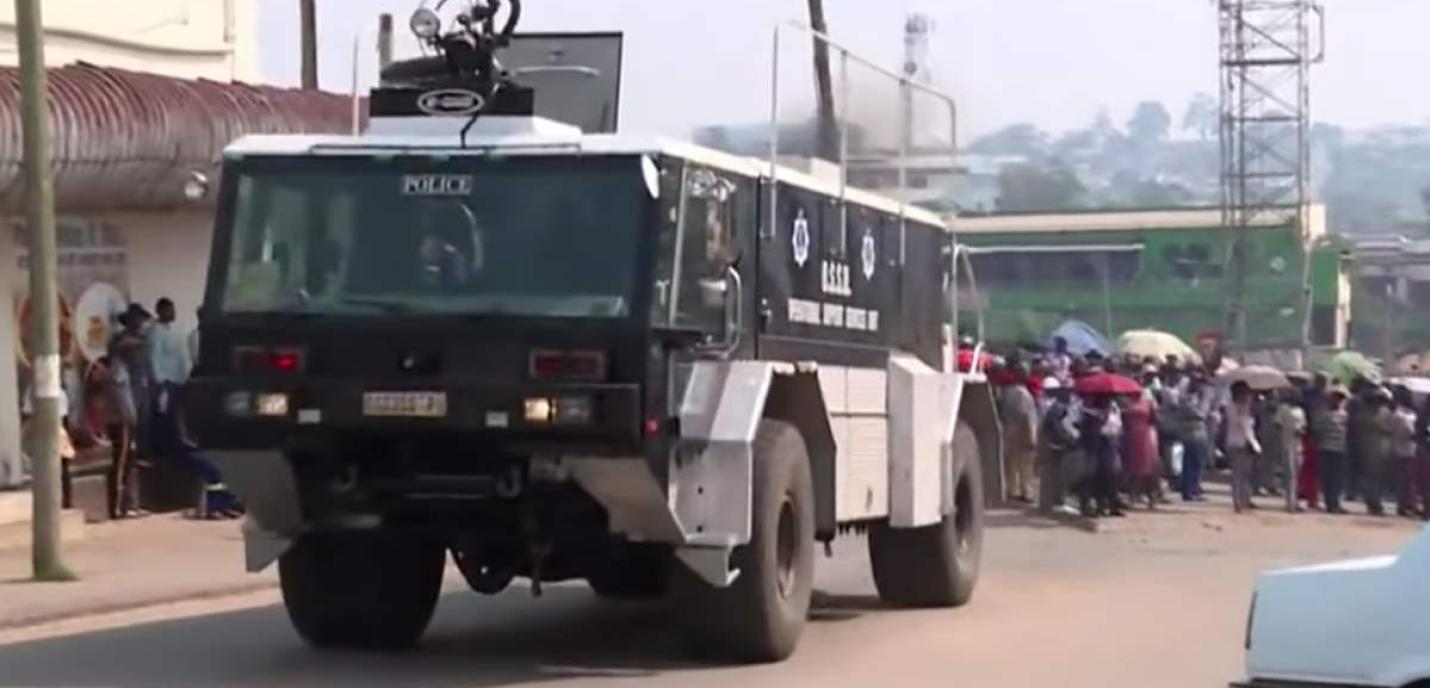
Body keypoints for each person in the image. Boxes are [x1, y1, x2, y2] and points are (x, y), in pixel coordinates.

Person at [104, 305, 153, 519]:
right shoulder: (117, 369)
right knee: (123, 460)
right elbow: (122, 399)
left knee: (133, 459)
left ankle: (132, 503)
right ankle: (119, 506)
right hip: (124, 418)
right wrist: (131, 418)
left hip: (137, 408)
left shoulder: (136, 350)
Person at [1038, 377, 1080, 515]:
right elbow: (1057, 428)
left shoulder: (1053, 405)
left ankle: (1047, 503)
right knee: (1057, 474)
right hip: (1054, 444)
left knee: (1049, 474)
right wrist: (1070, 440)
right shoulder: (1058, 407)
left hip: (1050, 442)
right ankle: (1057, 502)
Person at [1077, 394, 1124, 517]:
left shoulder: (1114, 409)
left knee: (1111, 474)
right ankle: (1089, 505)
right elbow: (1087, 428)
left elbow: (1118, 425)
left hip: (1110, 442)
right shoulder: (1090, 411)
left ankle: (1108, 504)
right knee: (1092, 475)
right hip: (1095, 444)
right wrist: (1102, 417)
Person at [998, 363, 1039, 503]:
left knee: (1011, 462)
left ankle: (1012, 489)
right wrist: (1032, 435)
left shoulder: (1007, 392)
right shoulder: (1024, 394)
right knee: (1026, 463)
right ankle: (1026, 491)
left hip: (1009, 429)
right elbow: (1026, 416)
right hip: (1023, 431)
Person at [1177, 373, 1216, 502]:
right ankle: (1188, 490)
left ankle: (1194, 488)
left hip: (1200, 430)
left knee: (1198, 461)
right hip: (1191, 430)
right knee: (1190, 462)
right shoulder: (1187, 398)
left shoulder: (1201, 397)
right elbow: (1198, 413)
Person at [1121, 385, 1161, 510]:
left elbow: (1155, 419)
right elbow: (1124, 420)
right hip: (1132, 436)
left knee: (1149, 468)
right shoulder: (1127, 403)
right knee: (1134, 469)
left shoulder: (1148, 403)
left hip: (1145, 435)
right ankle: (1132, 497)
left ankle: (1152, 498)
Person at [1226, 381, 1261, 513]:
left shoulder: (1246, 408)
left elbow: (1250, 425)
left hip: (1248, 443)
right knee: (1237, 475)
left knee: (1247, 474)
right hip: (1236, 442)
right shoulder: (1231, 406)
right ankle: (1237, 502)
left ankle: (1245, 499)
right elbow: (1239, 423)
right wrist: (1244, 411)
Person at [1315, 386, 1351, 514]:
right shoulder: (1324, 414)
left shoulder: (1345, 415)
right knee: (1328, 478)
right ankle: (1330, 503)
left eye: (1340, 399)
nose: (1338, 402)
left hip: (1340, 450)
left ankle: (1335, 503)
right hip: (1326, 449)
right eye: (1336, 399)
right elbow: (1317, 430)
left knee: (1338, 479)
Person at [1274, 387, 1307, 513]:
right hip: (1286, 444)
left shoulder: (1300, 411)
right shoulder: (1283, 409)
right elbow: (1277, 424)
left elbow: (1304, 426)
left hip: (1298, 445)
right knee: (1290, 475)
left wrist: (1301, 431)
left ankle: (1295, 501)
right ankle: (1290, 502)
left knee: (1297, 474)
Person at [1363, 387, 1395, 516]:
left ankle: (1372, 502)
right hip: (1381, 446)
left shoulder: (1369, 412)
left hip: (1371, 445)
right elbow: (1390, 430)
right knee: (1378, 478)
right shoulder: (1385, 412)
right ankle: (1375, 504)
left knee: (1372, 477)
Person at [1389, 386, 1419, 518]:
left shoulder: (1407, 413)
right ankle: (1405, 506)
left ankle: (1407, 505)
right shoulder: (1402, 414)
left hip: (1407, 450)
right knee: (1406, 480)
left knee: (1408, 481)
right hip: (1405, 450)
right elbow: (1408, 431)